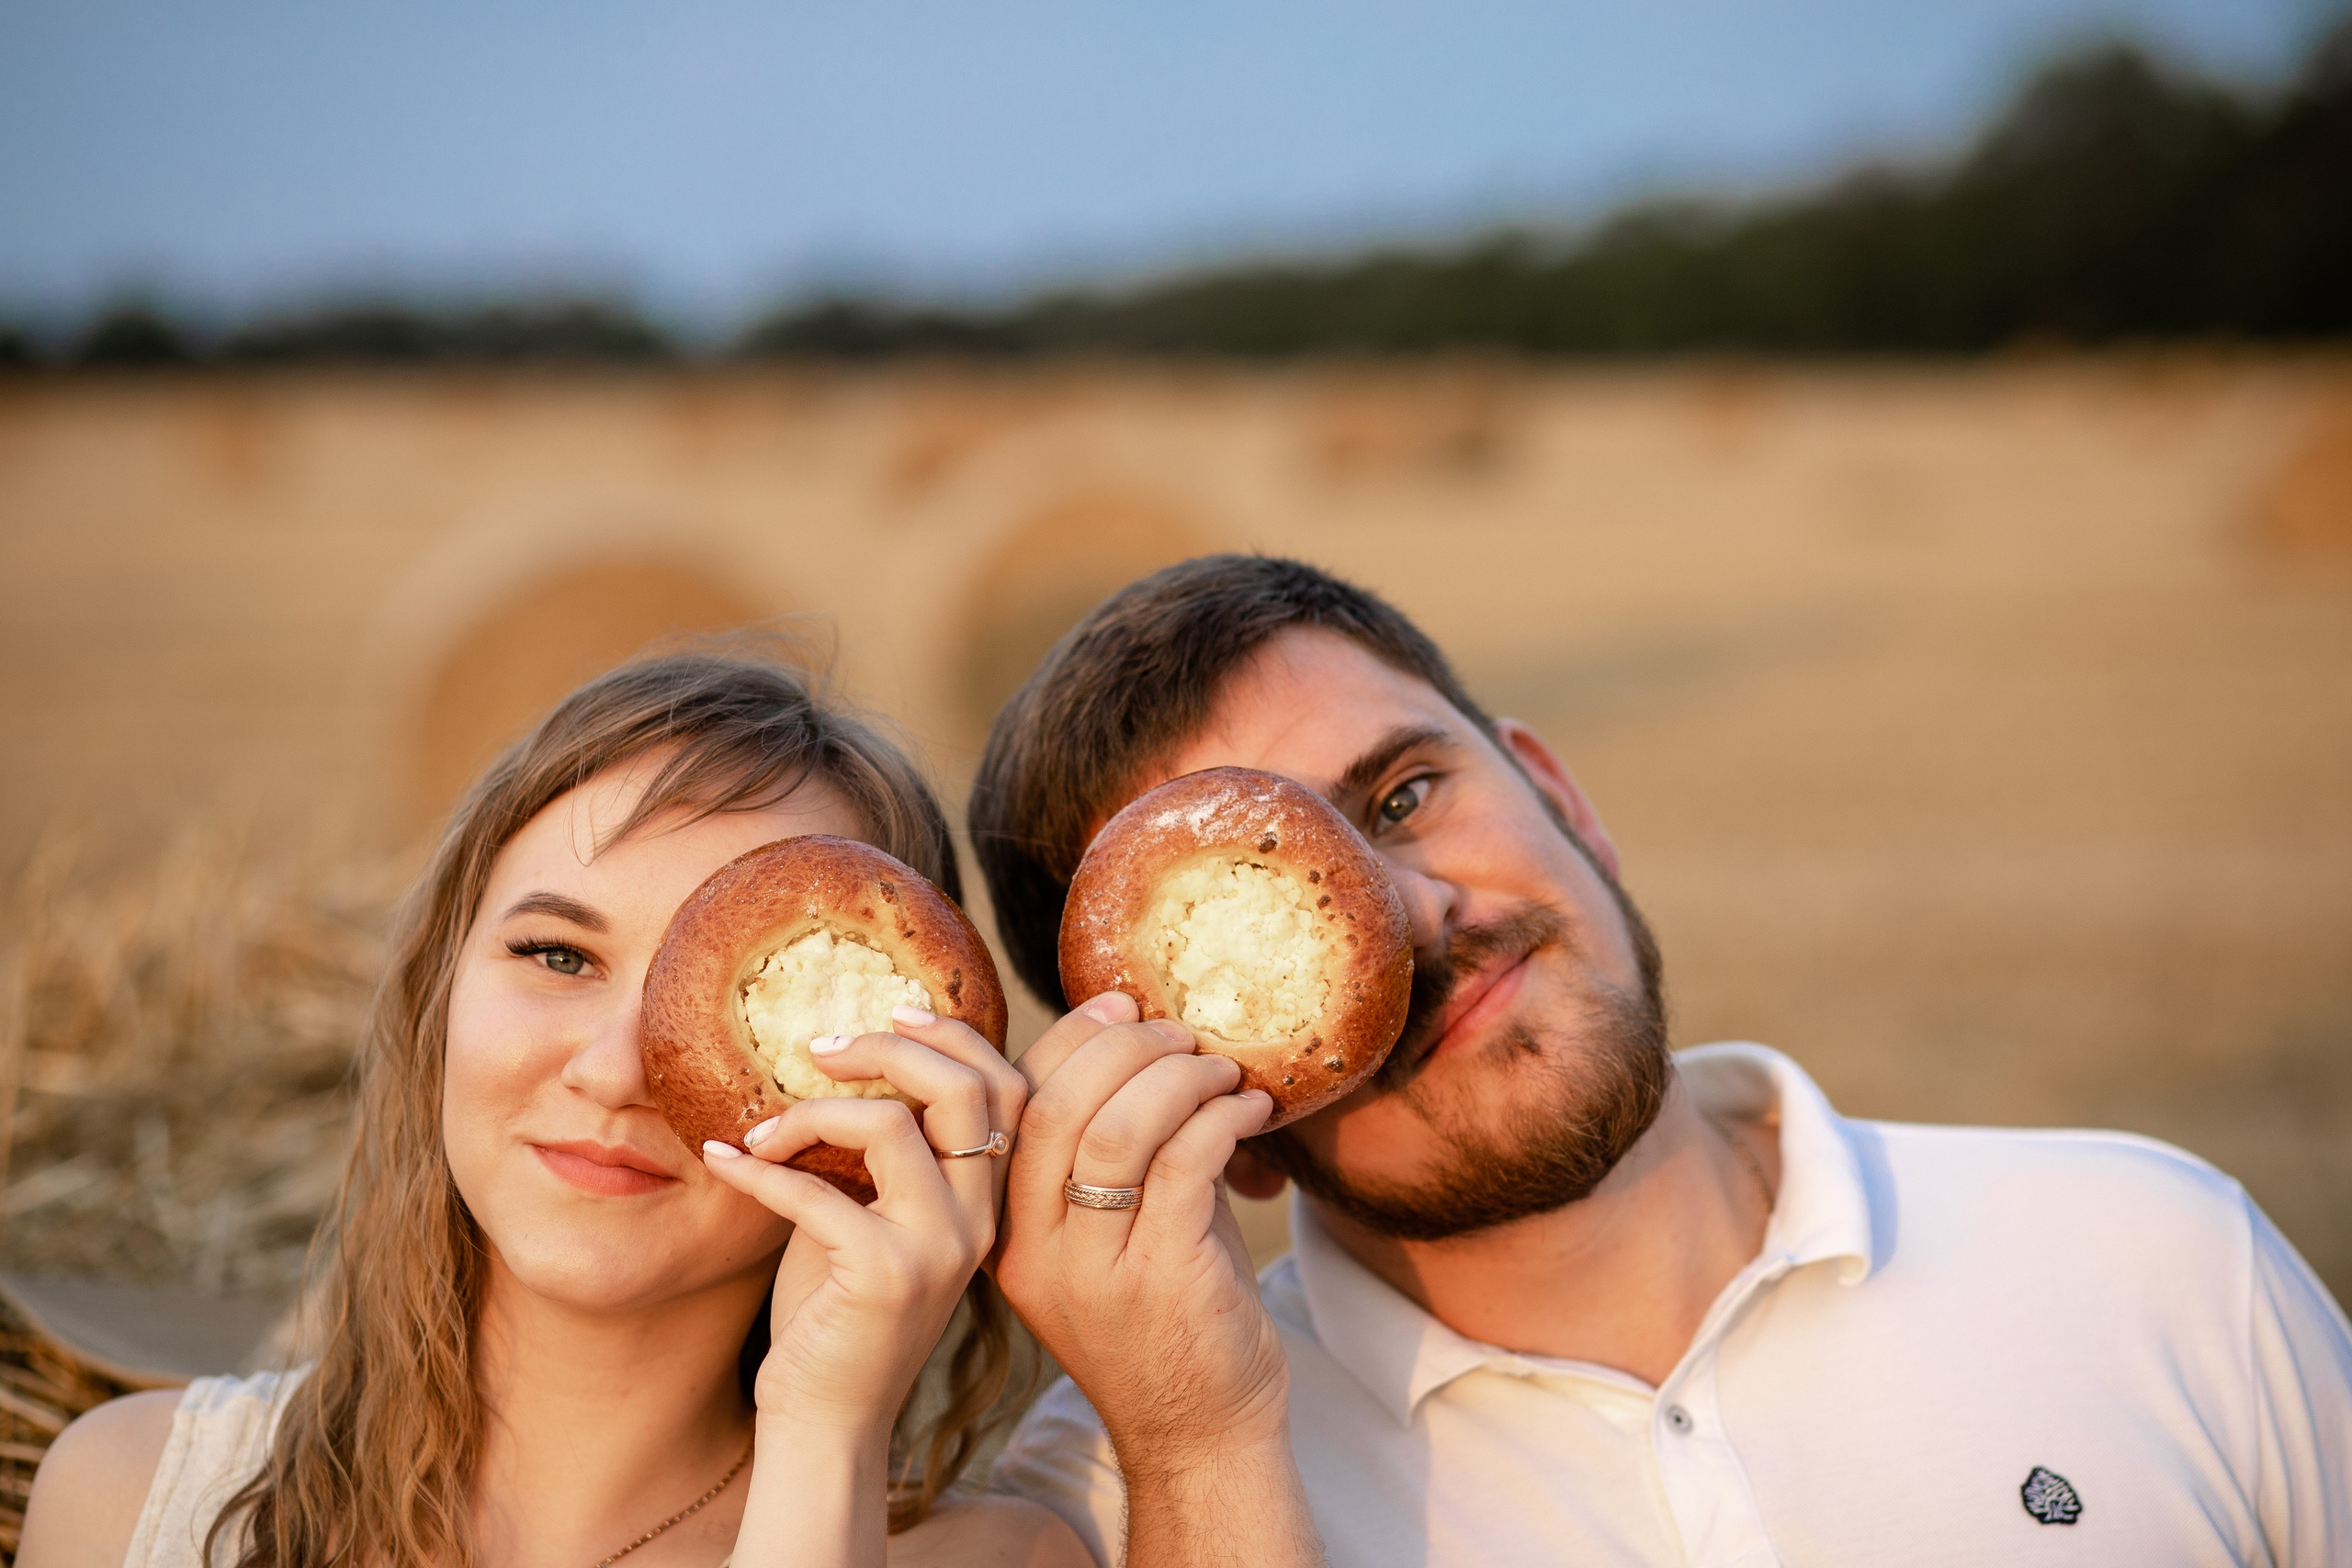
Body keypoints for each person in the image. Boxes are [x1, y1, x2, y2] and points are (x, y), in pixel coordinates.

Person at [973, 555, 2352, 1566]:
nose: (1415, 914)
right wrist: (1199, 1457)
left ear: (1561, 794)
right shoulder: (1115, 1508)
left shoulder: (2157, 1255)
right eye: (1250, 933)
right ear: (1191, 1100)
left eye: (1403, 796)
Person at [24, 651, 1094, 1568]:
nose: (615, 1070)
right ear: (439, 993)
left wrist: (825, 1436)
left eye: (746, 1005)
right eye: (557, 954)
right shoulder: (132, 1503)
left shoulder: (996, 1558)